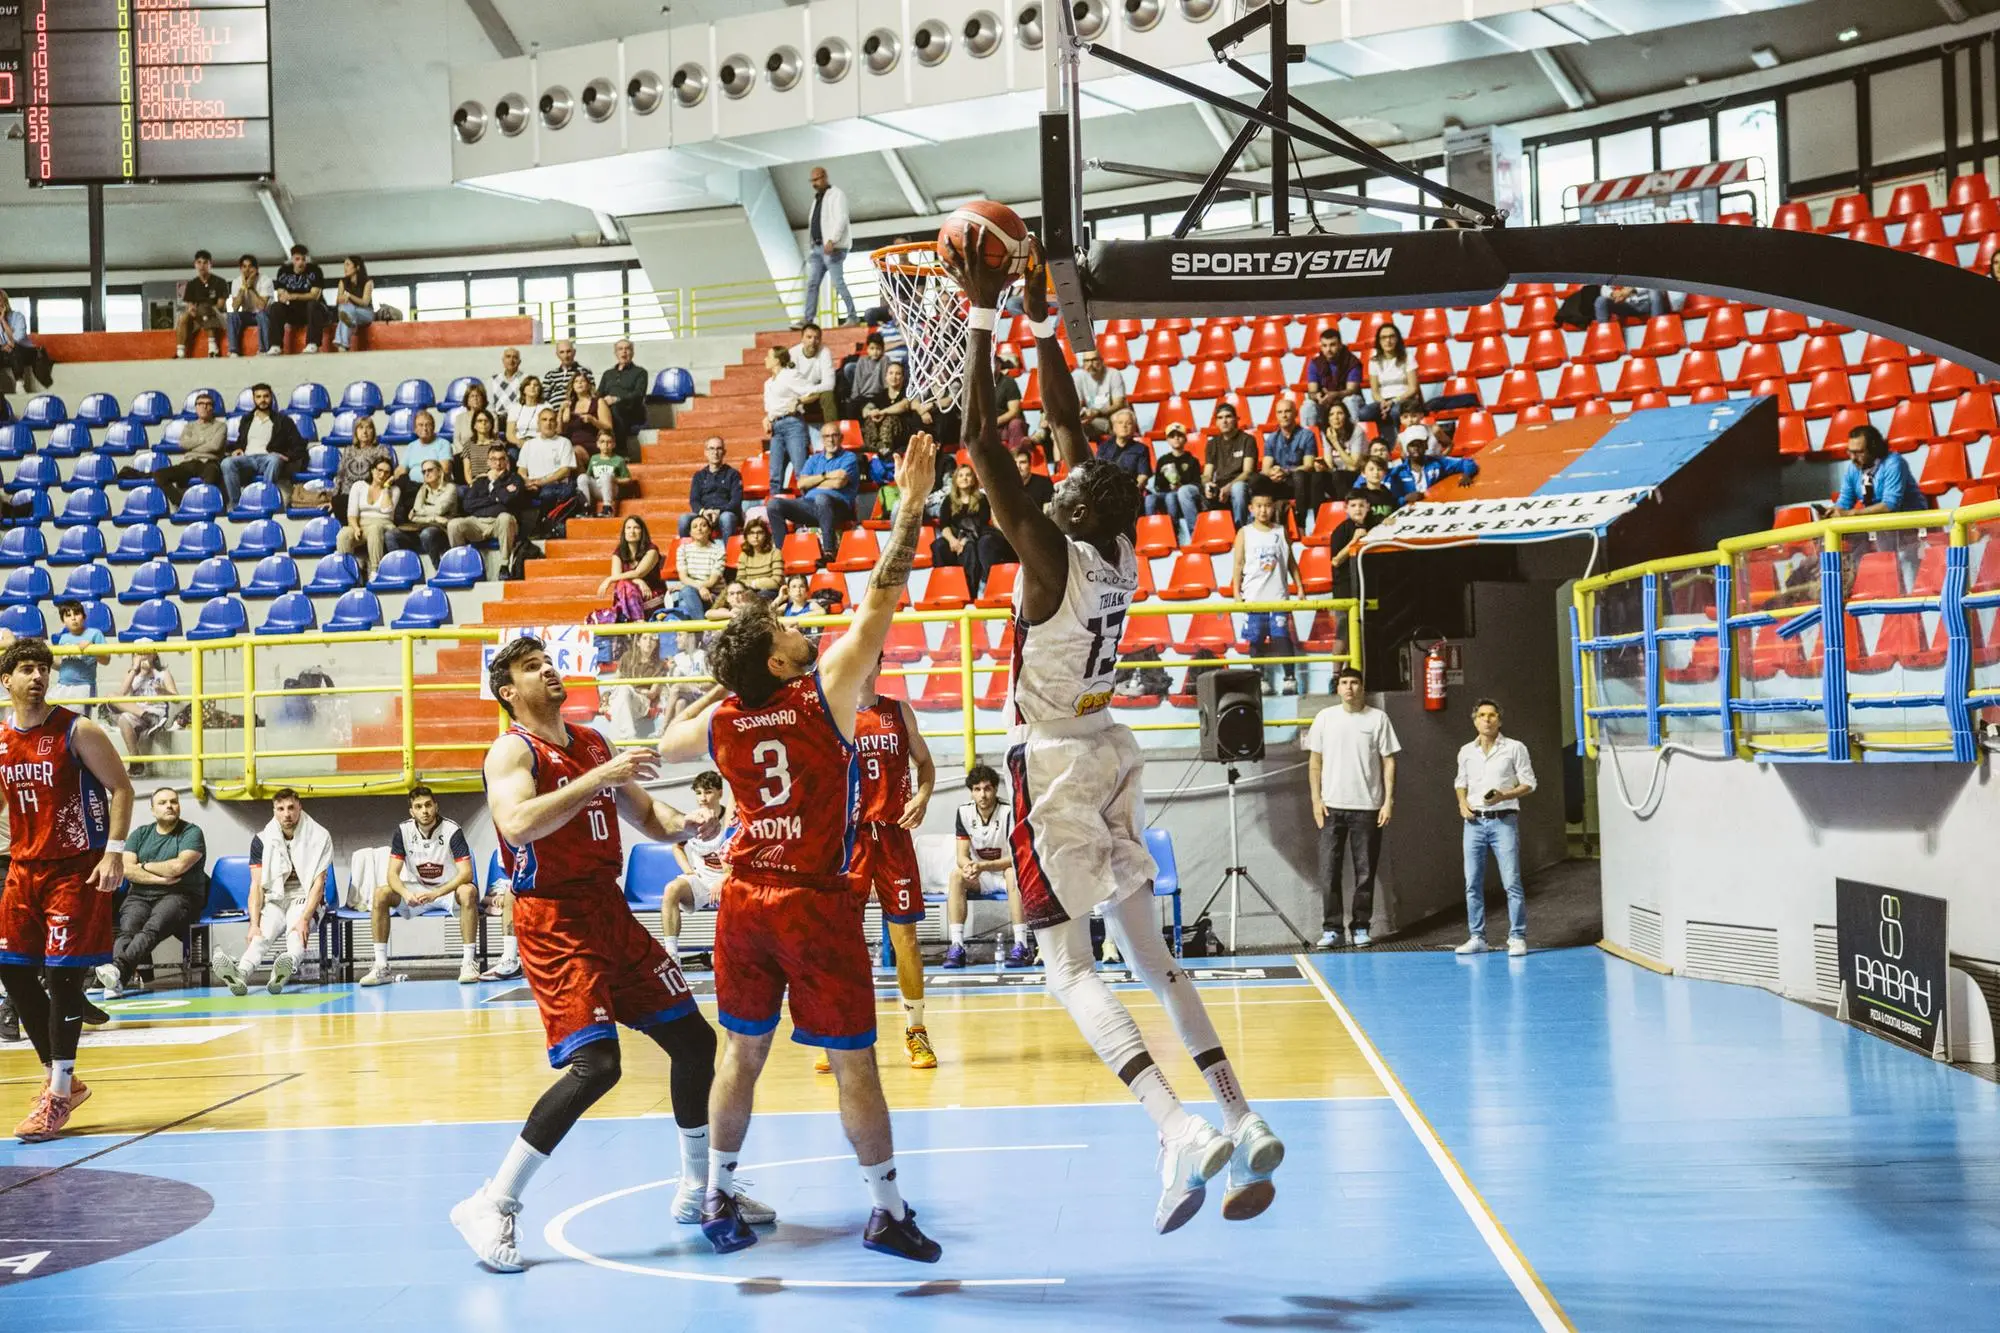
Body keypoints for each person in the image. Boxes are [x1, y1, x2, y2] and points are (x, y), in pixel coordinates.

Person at [948, 236, 1284, 1230]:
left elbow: (979, 440)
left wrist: (980, 310)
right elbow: (1061, 425)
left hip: (1049, 762)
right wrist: (1045, 312)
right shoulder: (1116, 539)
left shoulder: (1049, 551)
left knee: (1066, 966)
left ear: (1058, 511)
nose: (1045, 488)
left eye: (1048, 492)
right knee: (1157, 959)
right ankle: (1241, 1113)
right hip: (1110, 754)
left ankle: (1175, 1126)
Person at [652, 433, 942, 1264]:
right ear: (781, 659)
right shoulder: (824, 696)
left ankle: (716, 1196)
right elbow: (880, 600)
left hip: (745, 901)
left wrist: (731, 676)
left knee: (742, 1056)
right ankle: (885, 1209)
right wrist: (913, 502)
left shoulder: (723, 720)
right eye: (781, 628)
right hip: (815, 900)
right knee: (855, 1063)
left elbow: (667, 738)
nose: (795, 626)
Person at [452, 637, 768, 1274]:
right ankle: (492, 1201)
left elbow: (647, 815)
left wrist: (691, 826)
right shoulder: (513, 749)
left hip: (608, 911)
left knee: (694, 1042)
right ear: (509, 692)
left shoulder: (593, 740)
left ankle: (698, 1189)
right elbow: (516, 825)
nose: (549, 669)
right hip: (555, 919)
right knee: (597, 1066)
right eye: (531, 667)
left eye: (549, 660)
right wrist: (601, 776)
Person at [0, 637, 135, 1141]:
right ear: (6, 680)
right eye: (27, 669)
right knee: (11, 974)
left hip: (75, 869)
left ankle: (56, 1094)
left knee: (61, 980)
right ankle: (66, 1081)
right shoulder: (2, 740)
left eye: (43, 669)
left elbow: (122, 787)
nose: (37, 677)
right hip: (24, 869)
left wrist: (114, 851)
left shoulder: (78, 729)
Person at [840, 654, 937, 1071]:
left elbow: (926, 764)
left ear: (877, 666)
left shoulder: (898, 711)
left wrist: (922, 795)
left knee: (907, 941)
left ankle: (916, 1032)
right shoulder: (835, 716)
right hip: (852, 839)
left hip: (894, 836)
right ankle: (843, 1035)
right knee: (842, 941)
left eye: (870, 661)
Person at [1303, 667, 1398, 950]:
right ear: (1338, 688)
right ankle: (1332, 929)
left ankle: (1360, 927)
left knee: (1365, 872)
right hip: (1331, 808)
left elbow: (1389, 761)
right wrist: (1316, 801)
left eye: (1354, 683)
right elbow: (1314, 763)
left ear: (1362, 687)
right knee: (1328, 872)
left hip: (1367, 807)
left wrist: (1388, 800)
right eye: (1344, 683)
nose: (1349, 688)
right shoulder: (1324, 718)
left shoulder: (1378, 718)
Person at [212, 789, 331, 996]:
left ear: (300, 807)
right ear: (274, 811)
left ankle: (285, 967)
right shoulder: (262, 840)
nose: (287, 814)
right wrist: (253, 925)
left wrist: (305, 919)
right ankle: (240, 974)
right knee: (260, 936)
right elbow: (256, 886)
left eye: (291, 808)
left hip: (303, 896)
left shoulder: (320, 836)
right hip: (275, 896)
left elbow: (318, 884)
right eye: (281, 809)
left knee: (295, 933)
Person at [363, 785, 479, 986]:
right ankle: (381, 966)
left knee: (469, 891)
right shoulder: (403, 831)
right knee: (381, 894)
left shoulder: (452, 830)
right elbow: (392, 874)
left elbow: (466, 873)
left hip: (447, 889)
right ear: (412, 811)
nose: (424, 811)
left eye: (428, 805)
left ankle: (468, 962)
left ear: (436, 806)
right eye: (418, 807)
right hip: (418, 889)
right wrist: (406, 894)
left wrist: (437, 893)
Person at [99, 787, 206, 998]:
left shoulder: (191, 832)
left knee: (152, 929)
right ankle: (117, 978)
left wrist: (144, 865)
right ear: (152, 809)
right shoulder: (140, 834)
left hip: (179, 895)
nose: (169, 806)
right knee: (127, 929)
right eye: (163, 803)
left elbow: (178, 867)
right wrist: (159, 878)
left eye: (173, 801)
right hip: (139, 895)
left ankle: (116, 972)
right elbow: (127, 869)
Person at [1453, 699, 1538, 958]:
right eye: (1482, 715)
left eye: (1492, 715)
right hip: (1474, 822)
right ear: (1475, 720)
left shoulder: (1514, 748)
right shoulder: (1466, 751)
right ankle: (1477, 936)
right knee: (1472, 882)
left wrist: (1504, 795)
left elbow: (1529, 783)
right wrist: (1462, 804)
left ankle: (1517, 937)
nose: (1487, 720)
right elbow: (1460, 781)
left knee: (1511, 881)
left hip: (1503, 819)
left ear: (1499, 720)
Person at [940, 765, 1029, 968]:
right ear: (971, 791)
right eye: (977, 789)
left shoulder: (1009, 812)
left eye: (987, 788)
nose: (983, 794)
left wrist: (983, 865)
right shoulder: (963, 812)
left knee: (1013, 873)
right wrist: (969, 866)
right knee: (956, 875)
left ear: (996, 789)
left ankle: (1021, 945)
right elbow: (961, 856)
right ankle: (957, 946)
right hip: (982, 874)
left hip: (1007, 872)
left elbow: (1017, 857)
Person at [1232, 491, 1300, 697]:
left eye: (1267, 505)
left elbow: (1290, 562)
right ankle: (1260, 677)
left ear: (1273, 507)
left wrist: (1301, 588)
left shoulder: (1280, 531)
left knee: (1282, 637)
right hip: (1254, 596)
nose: (1263, 510)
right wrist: (1237, 592)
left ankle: (1290, 678)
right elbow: (1238, 564)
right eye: (1259, 506)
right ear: (1251, 508)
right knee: (1256, 638)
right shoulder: (1244, 532)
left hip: (1278, 595)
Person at [661, 771, 733, 963]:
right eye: (699, 793)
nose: (703, 798)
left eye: (708, 792)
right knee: (671, 889)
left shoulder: (731, 819)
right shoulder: (692, 821)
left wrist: (724, 878)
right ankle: (671, 954)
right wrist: (688, 871)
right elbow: (677, 846)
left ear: (719, 792)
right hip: (702, 881)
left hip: (730, 880)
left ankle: (729, 953)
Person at [766, 421, 859, 566]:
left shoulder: (849, 457)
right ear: (822, 439)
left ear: (841, 438)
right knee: (773, 504)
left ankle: (829, 552)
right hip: (809, 506)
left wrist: (814, 483)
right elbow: (801, 483)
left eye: (834, 435)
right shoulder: (814, 460)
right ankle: (782, 554)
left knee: (822, 498)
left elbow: (838, 483)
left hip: (838, 508)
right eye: (827, 436)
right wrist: (826, 475)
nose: (831, 439)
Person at [122, 389, 226, 499]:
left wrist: (194, 445)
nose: (204, 407)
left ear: (212, 408)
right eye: (200, 404)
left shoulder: (220, 426)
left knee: (212, 475)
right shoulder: (189, 426)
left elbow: (215, 446)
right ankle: (180, 502)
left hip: (209, 462)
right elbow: (183, 444)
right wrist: (204, 440)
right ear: (196, 407)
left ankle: (203, 502)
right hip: (189, 463)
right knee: (159, 475)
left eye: (208, 404)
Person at [220, 382, 309, 505]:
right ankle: (236, 504)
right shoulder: (247, 420)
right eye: (259, 397)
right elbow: (241, 441)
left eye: (266, 396)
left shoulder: (283, 421)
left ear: (271, 397)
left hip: (268, 458)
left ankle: (265, 498)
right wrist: (237, 449)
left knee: (274, 459)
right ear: (254, 399)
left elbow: (299, 446)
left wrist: (287, 456)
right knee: (226, 463)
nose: (263, 400)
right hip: (248, 459)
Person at [929, 462, 1006, 599]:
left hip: (975, 537)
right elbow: (944, 525)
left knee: (969, 548)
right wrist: (953, 541)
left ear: (973, 479)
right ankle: (946, 588)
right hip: (954, 538)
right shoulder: (948, 500)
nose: (964, 478)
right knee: (939, 546)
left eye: (968, 475)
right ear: (956, 480)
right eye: (961, 475)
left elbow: (981, 524)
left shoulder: (981, 499)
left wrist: (965, 540)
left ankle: (970, 594)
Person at [800, 165, 857, 327]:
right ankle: (808, 319)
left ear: (825, 177)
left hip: (833, 248)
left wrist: (832, 240)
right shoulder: (817, 199)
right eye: (812, 180)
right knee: (812, 283)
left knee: (837, 282)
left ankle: (852, 317)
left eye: (817, 179)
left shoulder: (836, 195)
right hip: (817, 248)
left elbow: (841, 218)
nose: (814, 183)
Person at [1263, 397, 1331, 522]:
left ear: (1295, 413)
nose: (1284, 415)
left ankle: (1301, 522)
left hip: (1300, 481)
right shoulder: (1271, 438)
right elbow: (1265, 468)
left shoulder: (1307, 435)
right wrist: (1274, 472)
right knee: (1256, 480)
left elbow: (1308, 465)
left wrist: (1286, 471)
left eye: (1287, 411)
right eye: (1280, 412)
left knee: (1299, 475)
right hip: (1279, 481)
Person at [339, 456, 405, 576]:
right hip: (361, 524)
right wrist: (355, 528)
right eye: (379, 470)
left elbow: (386, 510)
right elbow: (352, 514)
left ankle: (376, 570)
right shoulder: (358, 486)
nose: (382, 474)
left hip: (383, 523)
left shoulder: (394, 490)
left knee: (375, 528)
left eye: (387, 472)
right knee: (343, 534)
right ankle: (346, 571)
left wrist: (386, 488)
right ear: (372, 470)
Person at [1835, 424, 1922, 515]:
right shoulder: (1853, 468)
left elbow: (1890, 505)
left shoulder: (1893, 463)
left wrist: (1853, 513)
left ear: (1874, 449)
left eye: (1859, 452)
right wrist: (1833, 511)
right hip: (1880, 524)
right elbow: (1844, 502)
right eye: (1850, 452)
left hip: (1910, 521)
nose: (1853, 458)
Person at [1387, 419, 1479, 504]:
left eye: (1420, 444)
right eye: (1412, 445)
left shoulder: (1437, 463)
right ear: (1406, 449)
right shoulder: (1397, 473)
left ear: (1426, 446)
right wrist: (1405, 499)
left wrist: (1467, 475)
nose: (1416, 448)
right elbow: (1391, 501)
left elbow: (1467, 462)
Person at [518, 407, 581, 531]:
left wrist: (542, 482)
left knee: (550, 492)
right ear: (538, 423)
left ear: (556, 423)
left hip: (556, 486)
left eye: (552, 420)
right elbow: (521, 470)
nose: (548, 423)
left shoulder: (564, 442)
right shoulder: (528, 445)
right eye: (544, 419)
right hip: (533, 487)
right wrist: (527, 483)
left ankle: (544, 525)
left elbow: (565, 470)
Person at [600, 516, 669, 623]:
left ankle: (635, 625)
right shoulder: (619, 552)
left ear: (642, 531)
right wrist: (638, 581)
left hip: (651, 594)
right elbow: (618, 577)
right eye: (628, 528)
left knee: (624, 586)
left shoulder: (651, 550)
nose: (632, 531)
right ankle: (639, 621)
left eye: (636, 528)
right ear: (624, 532)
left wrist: (608, 579)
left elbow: (639, 572)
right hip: (629, 595)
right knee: (623, 584)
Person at [1203, 402, 1260, 528]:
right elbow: (1207, 474)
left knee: (1238, 488)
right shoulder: (1212, 444)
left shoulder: (1247, 440)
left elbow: (1248, 472)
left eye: (1228, 417)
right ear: (1216, 422)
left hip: (1242, 484)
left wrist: (1229, 487)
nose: (1224, 421)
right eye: (1220, 418)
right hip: (1220, 486)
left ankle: (1241, 530)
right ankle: (1199, 533)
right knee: (1187, 491)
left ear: (1236, 419)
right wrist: (1207, 484)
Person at [762, 346, 812, 491]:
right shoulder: (768, 383)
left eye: (768, 356)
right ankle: (774, 509)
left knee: (801, 472)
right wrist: (767, 418)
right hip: (776, 428)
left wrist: (799, 401)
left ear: (777, 360)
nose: (765, 359)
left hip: (793, 425)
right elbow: (772, 408)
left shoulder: (790, 375)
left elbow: (813, 393)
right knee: (774, 476)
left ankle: (809, 508)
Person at [1146, 423, 1204, 544]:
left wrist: (1179, 486)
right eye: (1172, 436)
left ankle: (1174, 532)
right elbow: (1157, 485)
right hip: (1165, 492)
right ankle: (1150, 534)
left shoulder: (1192, 460)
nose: (1176, 438)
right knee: (1150, 499)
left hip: (1180, 494)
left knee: (1171, 497)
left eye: (1180, 435)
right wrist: (1168, 485)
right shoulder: (1163, 460)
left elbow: (1196, 483)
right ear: (1167, 440)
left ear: (1185, 438)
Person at [267, 244, 329, 354]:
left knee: (312, 304)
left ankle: (313, 344)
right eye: (297, 259)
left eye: (303, 259)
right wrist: (286, 297)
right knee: (276, 306)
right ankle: (275, 345)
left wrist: (293, 296)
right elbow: (281, 296)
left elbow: (314, 295)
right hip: (294, 311)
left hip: (314, 312)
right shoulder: (283, 271)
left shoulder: (315, 271)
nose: (301, 262)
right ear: (292, 259)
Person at [112, 652, 176, 757]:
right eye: (139, 654)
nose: (143, 656)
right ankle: (136, 760)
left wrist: (163, 691)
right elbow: (122, 693)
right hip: (138, 712)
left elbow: (176, 699)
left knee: (123, 717)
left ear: (154, 655)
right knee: (120, 713)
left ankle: (152, 719)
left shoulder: (163, 673)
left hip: (157, 712)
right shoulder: (132, 674)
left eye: (146, 653)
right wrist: (138, 671)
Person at [860, 360, 930, 455]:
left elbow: (904, 405)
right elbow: (866, 410)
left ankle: (886, 450)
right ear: (886, 376)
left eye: (898, 374)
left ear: (902, 377)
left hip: (902, 434)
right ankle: (873, 450)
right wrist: (871, 412)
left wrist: (882, 412)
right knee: (869, 420)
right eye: (891, 373)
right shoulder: (881, 394)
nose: (894, 377)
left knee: (890, 419)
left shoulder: (908, 393)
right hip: (881, 434)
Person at [1301, 325, 1364, 429]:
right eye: (1324, 346)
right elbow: (1312, 391)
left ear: (1340, 345)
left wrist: (1335, 395)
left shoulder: (1352, 362)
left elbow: (1352, 390)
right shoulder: (1315, 363)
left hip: (1346, 401)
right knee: (1308, 405)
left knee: (1350, 400)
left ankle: (1353, 437)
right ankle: (1309, 440)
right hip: (1325, 403)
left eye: (1332, 345)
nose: (1328, 349)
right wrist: (1317, 396)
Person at [404, 458, 462, 567]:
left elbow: (439, 510)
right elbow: (413, 517)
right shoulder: (423, 489)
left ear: (439, 472)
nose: (426, 474)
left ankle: (439, 567)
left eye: (430, 470)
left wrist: (421, 511)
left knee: (427, 534)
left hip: (444, 530)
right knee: (393, 535)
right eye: (424, 471)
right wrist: (433, 518)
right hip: (425, 526)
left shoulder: (450, 488)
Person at [682, 436, 743, 538]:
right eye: (711, 448)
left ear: (724, 452)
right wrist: (703, 512)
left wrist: (719, 511)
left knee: (727, 518)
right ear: (706, 452)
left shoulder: (733, 474)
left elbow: (736, 501)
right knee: (684, 520)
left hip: (725, 513)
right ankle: (689, 552)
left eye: (719, 449)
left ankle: (728, 553)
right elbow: (694, 500)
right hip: (704, 514)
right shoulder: (699, 476)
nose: (715, 452)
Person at [672, 513, 727, 622]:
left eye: (703, 525)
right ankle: (704, 630)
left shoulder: (719, 550)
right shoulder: (683, 549)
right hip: (693, 592)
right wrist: (700, 588)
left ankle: (701, 630)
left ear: (710, 531)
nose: (699, 529)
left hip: (714, 594)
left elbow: (712, 581)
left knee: (685, 593)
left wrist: (688, 586)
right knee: (687, 593)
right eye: (695, 527)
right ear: (690, 533)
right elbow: (683, 577)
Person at [174, 250, 230, 359]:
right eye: (199, 262)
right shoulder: (191, 284)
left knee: (204, 307)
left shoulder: (220, 282)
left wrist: (203, 309)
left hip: (217, 316)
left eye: (205, 262)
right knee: (183, 317)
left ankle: (212, 347)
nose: (202, 266)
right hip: (198, 317)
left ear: (210, 264)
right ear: (195, 264)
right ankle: (180, 351)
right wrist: (192, 310)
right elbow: (190, 305)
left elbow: (220, 305)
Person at [49, 601, 105, 704]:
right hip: (62, 685)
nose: (73, 618)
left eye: (77, 614)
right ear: (63, 621)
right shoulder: (63, 638)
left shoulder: (95, 634)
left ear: (84, 617)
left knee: (79, 719)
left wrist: (92, 649)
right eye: (68, 615)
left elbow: (106, 660)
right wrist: (48, 657)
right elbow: (60, 665)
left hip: (84, 686)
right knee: (48, 712)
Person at [598, 339, 651, 447]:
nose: (624, 352)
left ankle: (621, 450)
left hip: (631, 410)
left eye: (627, 349)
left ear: (633, 352)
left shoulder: (640, 372)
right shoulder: (608, 374)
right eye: (620, 349)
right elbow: (599, 393)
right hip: (608, 409)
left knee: (615, 408)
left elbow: (639, 394)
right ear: (616, 353)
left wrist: (617, 399)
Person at [1071, 347, 1128, 440]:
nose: (1090, 364)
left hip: (1108, 416)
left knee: (1117, 419)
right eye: (1087, 361)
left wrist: (1098, 412)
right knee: (1067, 427)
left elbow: (1119, 403)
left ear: (1101, 361)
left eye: (1094, 360)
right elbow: (1077, 403)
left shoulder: (1113, 374)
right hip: (1090, 418)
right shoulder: (1078, 376)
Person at [0, 290, 49, 393]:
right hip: (6, 353)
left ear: (4, 302)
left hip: (24, 352)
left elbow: (15, 342)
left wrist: (3, 321)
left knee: (15, 348)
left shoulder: (18, 317)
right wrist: (2, 347)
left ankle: (19, 383)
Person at [226, 254, 274, 357]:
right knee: (232, 315)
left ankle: (264, 350)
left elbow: (262, 307)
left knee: (261, 315)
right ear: (240, 269)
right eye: (244, 266)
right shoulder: (236, 281)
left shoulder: (266, 280)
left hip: (265, 315)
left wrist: (251, 288)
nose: (247, 270)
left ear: (256, 269)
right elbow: (235, 307)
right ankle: (233, 350)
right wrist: (243, 287)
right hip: (247, 314)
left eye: (250, 266)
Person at [1095, 408, 1153, 495]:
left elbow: (1143, 476)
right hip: (1107, 492)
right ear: (1114, 427)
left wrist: (1130, 491)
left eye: (1129, 423)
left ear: (1134, 428)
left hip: (1130, 493)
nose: (1124, 426)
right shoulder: (1104, 448)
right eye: (1120, 423)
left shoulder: (1141, 449)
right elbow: (1098, 473)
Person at [559, 373, 615, 460]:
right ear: (573, 386)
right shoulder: (570, 405)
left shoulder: (598, 402)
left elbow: (609, 428)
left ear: (588, 385)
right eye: (576, 382)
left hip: (591, 443)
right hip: (570, 444)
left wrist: (593, 420)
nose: (580, 383)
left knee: (573, 454)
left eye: (583, 381)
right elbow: (561, 429)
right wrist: (561, 411)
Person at [577, 429, 630, 519]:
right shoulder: (594, 458)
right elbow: (588, 476)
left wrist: (615, 479)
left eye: (609, 442)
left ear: (613, 444)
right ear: (598, 444)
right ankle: (586, 508)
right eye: (602, 442)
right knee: (582, 477)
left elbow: (628, 479)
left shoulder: (618, 460)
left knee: (605, 475)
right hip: (598, 489)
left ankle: (607, 508)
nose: (605, 445)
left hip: (611, 490)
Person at [792, 322, 838, 425]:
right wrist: (803, 398)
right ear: (802, 339)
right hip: (799, 395)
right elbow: (792, 385)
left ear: (820, 340)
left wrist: (812, 394)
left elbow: (829, 385)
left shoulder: (825, 352)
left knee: (828, 394)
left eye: (816, 338)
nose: (813, 341)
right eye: (809, 337)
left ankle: (832, 430)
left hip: (815, 395)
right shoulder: (792, 354)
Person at [840, 331, 889, 417]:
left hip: (878, 396)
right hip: (863, 396)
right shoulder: (862, 360)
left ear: (883, 350)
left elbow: (885, 383)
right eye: (872, 348)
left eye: (878, 349)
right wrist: (854, 398)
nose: (875, 352)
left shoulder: (884, 360)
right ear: (867, 349)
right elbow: (857, 382)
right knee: (851, 407)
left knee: (870, 409)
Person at [732, 516, 783, 598]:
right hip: (749, 592)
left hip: (770, 592)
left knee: (762, 595)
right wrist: (764, 581)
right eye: (751, 533)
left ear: (766, 535)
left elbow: (776, 582)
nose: (755, 536)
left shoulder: (775, 553)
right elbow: (740, 581)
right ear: (746, 537)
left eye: (759, 532)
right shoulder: (744, 556)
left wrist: (753, 583)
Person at [455, 406, 505, 488]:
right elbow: (467, 471)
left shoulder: (498, 443)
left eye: (486, 421)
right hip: (475, 484)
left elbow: (504, 468)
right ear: (474, 425)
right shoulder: (468, 445)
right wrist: (471, 484)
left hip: (495, 482)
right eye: (480, 421)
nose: (483, 423)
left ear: (491, 425)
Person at [332, 257, 374, 352]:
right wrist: (343, 299)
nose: (345, 268)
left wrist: (349, 296)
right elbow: (338, 300)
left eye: (348, 264)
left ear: (357, 267)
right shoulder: (342, 282)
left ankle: (340, 340)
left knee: (346, 312)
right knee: (345, 308)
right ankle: (344, 345)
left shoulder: (368, 282)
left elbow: (365, 302)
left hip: (365, 313)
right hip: (348, 310)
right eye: (344, 265)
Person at [541, 340, 591, 411]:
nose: (566, 355)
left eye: (568, 351)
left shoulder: (584, 371)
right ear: (557, 354)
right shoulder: (550, 374)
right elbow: (544, 397)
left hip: (575, 412)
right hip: (553, 413)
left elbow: (591, 393)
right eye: (562, 352)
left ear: (574, 352)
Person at [1595, 285, 1670, 324]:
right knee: (1600, 300)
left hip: (1647, 303)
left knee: (1655, 291)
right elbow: (1604, 289)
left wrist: (1633, 291)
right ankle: (1605, 337)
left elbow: (1658, 286)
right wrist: (1613, 294)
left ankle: (1657, 328)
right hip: (1627, 305)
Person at [506, 375, 545, 447]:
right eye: (528, 384)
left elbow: (547, 431)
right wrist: (520, 443)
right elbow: (509, 434)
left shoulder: (545, 407)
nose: (532, 386)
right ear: (523, 389)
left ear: (539, 390)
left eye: (536, 385)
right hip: (519, 443)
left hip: (539, 444)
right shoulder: (515, 407)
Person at [489, 347, 527, 419]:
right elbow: (489, 405)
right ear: (503, 360)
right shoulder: (493, 380)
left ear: (519, 362)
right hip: (497, 419)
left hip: (518, 418)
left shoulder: (526, 379)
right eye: (508, 357)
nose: (511, 360)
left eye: (515, 357)